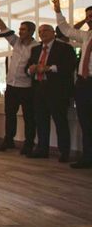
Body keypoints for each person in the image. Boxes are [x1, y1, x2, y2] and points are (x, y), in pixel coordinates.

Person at [25, 21, 77, 162]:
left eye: (46, 31)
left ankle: (64, 152)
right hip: (39, 88)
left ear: (53, 32)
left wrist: (49, 68)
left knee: (60, 121)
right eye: (40, 32)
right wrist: (30, 69)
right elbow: (27, 67)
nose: (42, 34)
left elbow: (70, 66)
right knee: (41, 120)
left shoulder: (64, 48)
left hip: (57, 90)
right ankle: (42, 149)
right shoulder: (36, 50)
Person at [0, 1, 38, 154]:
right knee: (10, 115)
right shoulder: (16, 42)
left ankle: (28, 143)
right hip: (11, 85)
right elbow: (3, 28)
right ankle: (8, 140)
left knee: (29, 117)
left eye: (23, 29)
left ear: (31, 31)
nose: (20, 31)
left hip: (27, 87)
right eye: (20, 29)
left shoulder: (36, 47)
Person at [53, 0, 91, 168]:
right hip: (83, 83)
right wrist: (58, 11)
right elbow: (66, 30)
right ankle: (88, 158)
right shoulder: (86, 36)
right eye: (88, 16)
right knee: (85, 122)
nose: (90, 18)